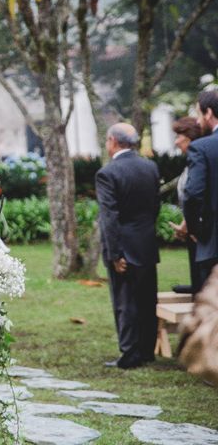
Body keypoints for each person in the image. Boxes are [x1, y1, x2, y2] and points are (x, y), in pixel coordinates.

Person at [95, 122, 160, 369]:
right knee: (146, 299)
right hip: (145, 241)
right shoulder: (150, 167)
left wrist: (114, 253)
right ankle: (146, 350)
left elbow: (109, 217)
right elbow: (155, 207)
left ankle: (129, 353)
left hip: (123, 245)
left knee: (124, 301)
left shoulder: (108, 173)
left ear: (113, 141)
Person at [184, 90, 218, 294]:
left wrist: (195, 229)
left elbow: (193, 193)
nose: (197, 121)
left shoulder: (201, 148)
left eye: (198, 114)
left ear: (208, 113)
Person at [168, 117, 204, 294]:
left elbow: (196, 195)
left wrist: (193, 224)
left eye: (178, 136)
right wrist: (185, 223)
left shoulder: (200, 159)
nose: (176, 142)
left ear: (189, 137)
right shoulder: (191, 162)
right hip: (192, 226)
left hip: (201, 227)